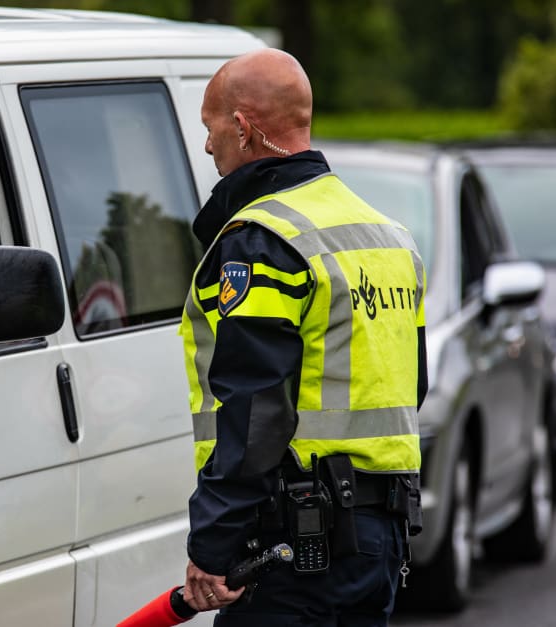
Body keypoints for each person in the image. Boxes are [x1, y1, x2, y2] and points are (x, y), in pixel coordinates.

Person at [178, 49, 428, 626]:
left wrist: (214, 543)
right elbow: (413, 384)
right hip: (380, 540)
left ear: (242, 127)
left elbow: (256, 412)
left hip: (295, 549)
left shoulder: (263, 241)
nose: (209, 145)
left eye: (211, 127)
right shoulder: (391, 238)